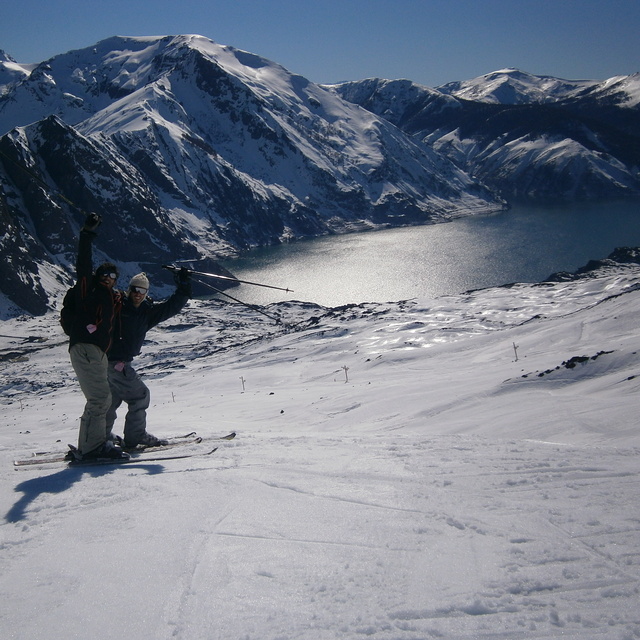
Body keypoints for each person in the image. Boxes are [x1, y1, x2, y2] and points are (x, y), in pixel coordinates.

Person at [66, 213, 130, 460]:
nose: (108, 278)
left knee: (99, 398)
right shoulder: (88, 289)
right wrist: (87, 234)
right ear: (97, 276)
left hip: (97, 352)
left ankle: (88, 444)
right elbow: (83, 262)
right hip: (86, 348)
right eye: (104, 274)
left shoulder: (112, 298)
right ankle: (93, 448)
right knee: (101, 398)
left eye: (113, 277)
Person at [106, 268, 191, 448]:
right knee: (140, 396)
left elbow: (171, 308)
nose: (138, 294)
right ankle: (135, 436)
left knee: (110, 401)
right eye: (135, 290)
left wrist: (183, 287)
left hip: (113, 364)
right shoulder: (118, 306)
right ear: (129, 290)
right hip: (116, 362)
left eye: (142, 291)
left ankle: (101, 436)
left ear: (146, 293)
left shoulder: (146, 312)